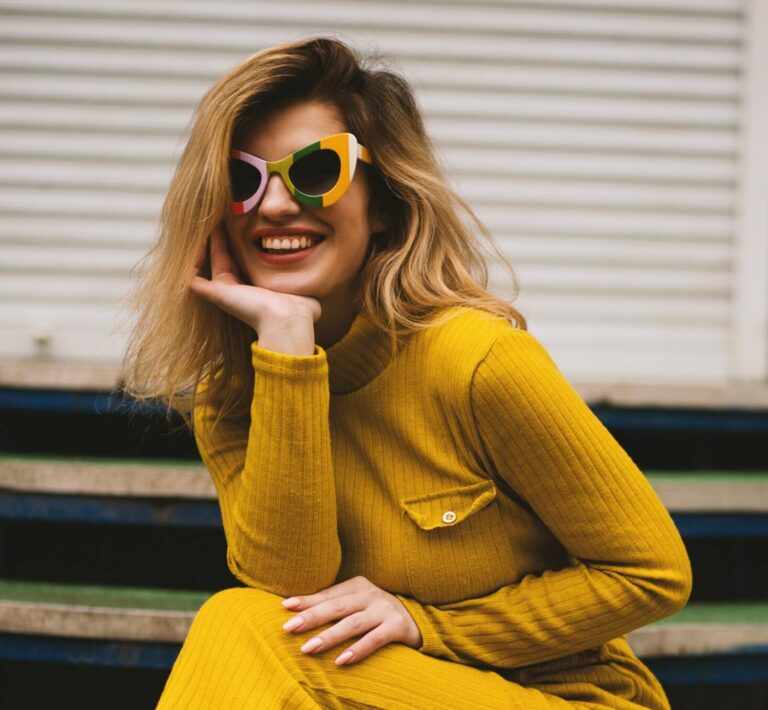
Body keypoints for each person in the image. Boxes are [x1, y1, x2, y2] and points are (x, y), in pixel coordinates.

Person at [120, 35, 692, 710]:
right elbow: (293, 586)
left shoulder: (475, 360)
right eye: (242, 181)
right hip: (377, 694)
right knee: (253, 623)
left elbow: (649, 573)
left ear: (385, 203)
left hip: (567, 698)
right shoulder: (235, 395)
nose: (273, 205)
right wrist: (287, 349)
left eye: (316, 170)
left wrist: (431, 626)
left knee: (240, 627)